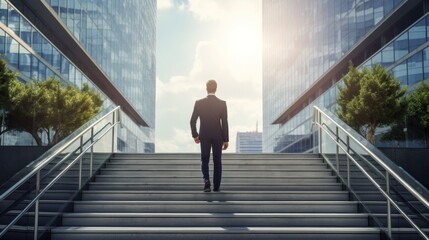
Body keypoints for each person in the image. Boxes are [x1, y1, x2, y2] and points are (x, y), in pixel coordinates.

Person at [190, 79, 229, 192]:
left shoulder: (199, 103)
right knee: (217, 161)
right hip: (218, 135)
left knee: (205, 160)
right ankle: (216, 186)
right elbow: (224, 122)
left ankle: (207, 182)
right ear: (216, 89)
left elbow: (192, 121)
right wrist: (226, 139)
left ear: (206, 88)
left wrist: (195, 135)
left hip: (204, 135)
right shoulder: (222, 103)